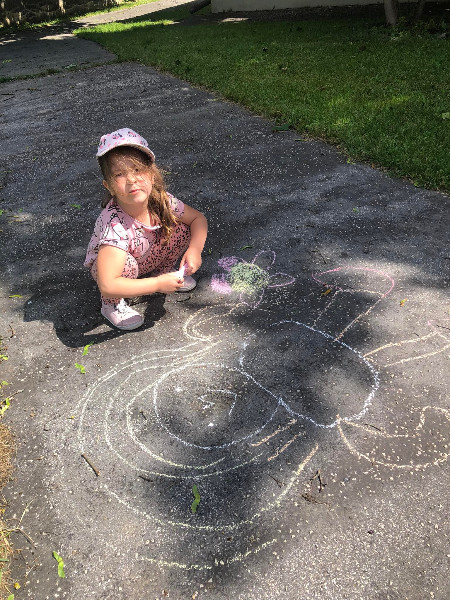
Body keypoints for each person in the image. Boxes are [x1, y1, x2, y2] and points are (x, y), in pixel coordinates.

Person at [84, 128, 208, 331]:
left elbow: (198, 219)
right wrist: (157, 285)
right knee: (126, 265)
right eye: (119, 174)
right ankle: (111, 305)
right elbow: (108, 284)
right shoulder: (114, 224)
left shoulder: (162, 201)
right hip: (113, 270)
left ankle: (164, 272)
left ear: (151, 175)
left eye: (137, 169)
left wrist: (195, 250)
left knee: (181, 227)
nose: (131, 179)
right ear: (108, 186)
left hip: (146, 255)